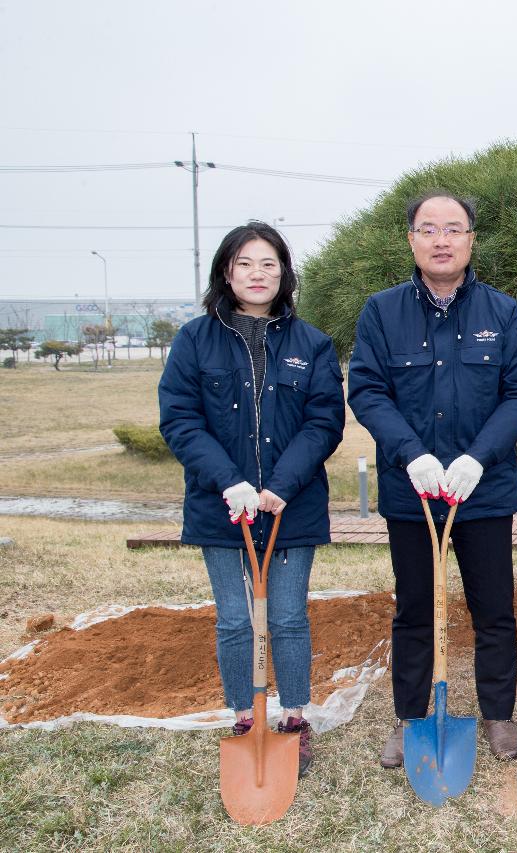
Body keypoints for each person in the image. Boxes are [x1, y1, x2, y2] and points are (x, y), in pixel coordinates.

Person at [347, 190, 517, 768]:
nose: (441, 239)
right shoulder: (382, 311)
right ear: (411, 239)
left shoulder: (502, 312)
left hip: (482, 490)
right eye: (428, 229)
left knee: (494, 607)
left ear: (470, 240)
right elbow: (368, 390)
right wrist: (412, 454)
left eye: (453, 229)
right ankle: (410, 716)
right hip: (412, 490)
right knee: (413, 608)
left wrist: (478, 457)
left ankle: (498, 715)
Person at [159, 222, 346, 777]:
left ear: (284, 273)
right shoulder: (195, 339)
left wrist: (280, 485)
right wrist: (229, 482)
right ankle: (246, 718)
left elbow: (324, 422)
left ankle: (292, 719)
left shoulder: (310, 342)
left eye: (268, 263)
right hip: (222, 505)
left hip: (292, 504)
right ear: (225, 272)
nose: (257, 274)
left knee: (288, 618)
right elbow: (180, 419)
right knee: (235, 620)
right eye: (245, 263)